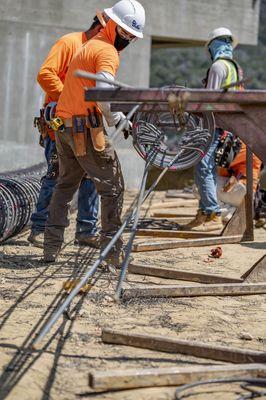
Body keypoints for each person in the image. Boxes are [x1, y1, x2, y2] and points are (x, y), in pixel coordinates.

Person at [43, 0, 146, 264]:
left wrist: (113, 114)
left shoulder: (87, 47)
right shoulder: (107, 52)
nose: (127, 39)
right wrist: (117, 119)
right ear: (110, 23)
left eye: (132, 36)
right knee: (113, 187)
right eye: (124, 32)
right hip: (85, 132)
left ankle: (51, 248)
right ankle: (112, 253)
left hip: (65, 129)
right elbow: (103, 94)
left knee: (65, 186)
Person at [28, 11, 108, 249]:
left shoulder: (99, 54)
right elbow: (45, 74)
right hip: (62, 125)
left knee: (90, 178)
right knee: (57, 175)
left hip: (87, 126)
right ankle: (40, 229)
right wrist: (68, 97)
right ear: (99, 30)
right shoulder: (69, 43)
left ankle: (86, 230)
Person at [186, 27, 245, 231]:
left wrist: (191, 109)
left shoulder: (218, 67)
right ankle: (204, 213)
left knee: (203, 167)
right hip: (228, 128)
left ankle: (212, 213)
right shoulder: (235, 68)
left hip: (214, 126)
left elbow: (208, 102)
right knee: (206, 168)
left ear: (212, 46)